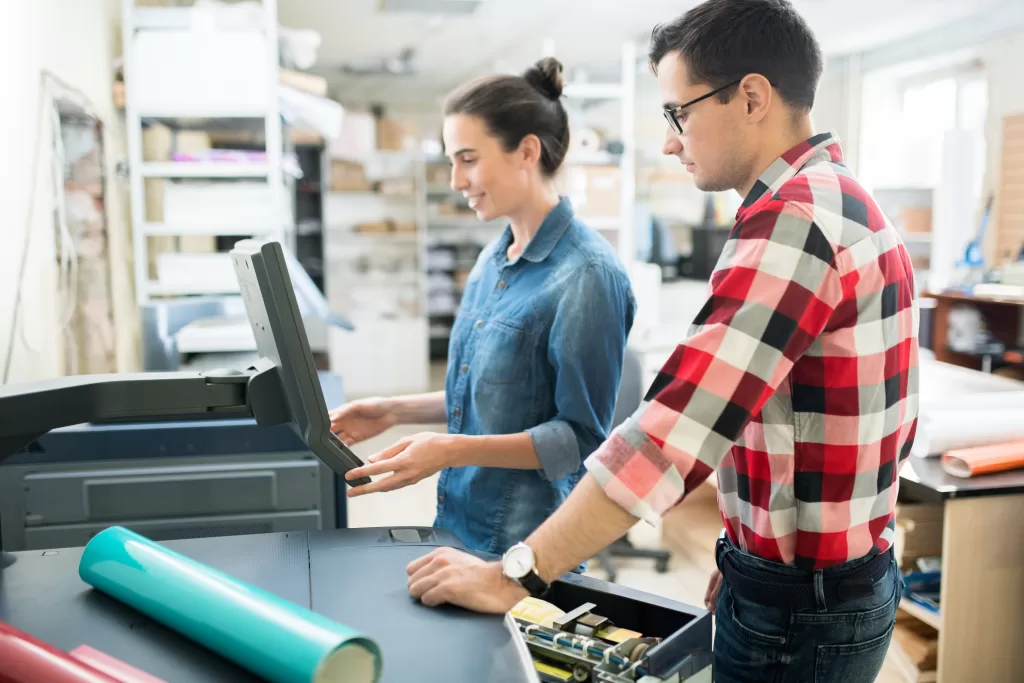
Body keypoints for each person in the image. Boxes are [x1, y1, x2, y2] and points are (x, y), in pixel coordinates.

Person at [401, 1, 920, 682]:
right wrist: (747, 556)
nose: (672, 141)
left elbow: (667, 436)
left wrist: (512, 574)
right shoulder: (841, 200)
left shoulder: (794, 222)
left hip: (803, 611)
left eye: (679, 113)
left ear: (753, 97)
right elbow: (803, 422)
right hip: (810, 583)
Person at [330, 58, 637, 559]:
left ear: (527, 152)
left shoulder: (587, 275)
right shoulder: (494, 257)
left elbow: (577, 439)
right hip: (460, 524)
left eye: (468, 159)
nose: (455, 179)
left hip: (526, 550)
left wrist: (448, 448)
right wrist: (394, 410)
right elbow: (493, 391)